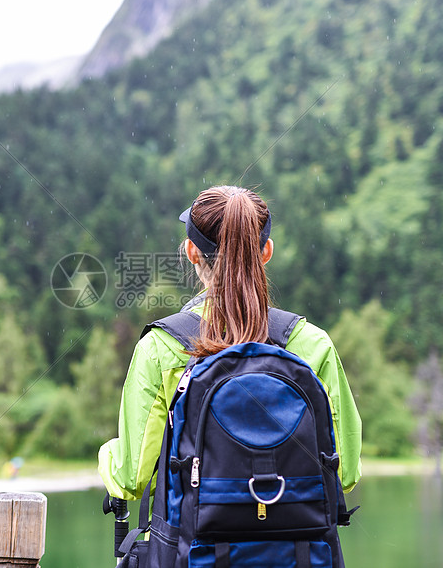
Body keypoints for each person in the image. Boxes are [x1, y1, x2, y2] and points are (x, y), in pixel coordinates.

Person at [98, 185, 362, 503]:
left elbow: (132, 479)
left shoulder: (160, 347)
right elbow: (343, 473)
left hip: (196, 549)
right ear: (266, 252)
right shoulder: (312, 344)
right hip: (296, 549)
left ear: (191, 252)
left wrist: (109, 452)